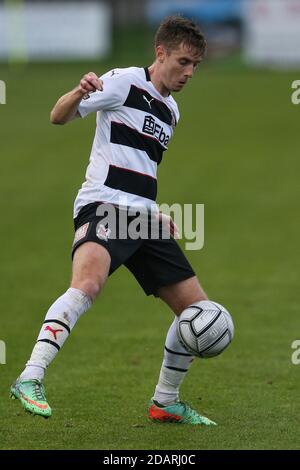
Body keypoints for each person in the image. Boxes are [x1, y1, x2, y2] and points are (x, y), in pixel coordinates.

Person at [10, 15, 217, 425]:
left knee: (199, 313)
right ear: (160, 53)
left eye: (195, 65)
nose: (189, 72)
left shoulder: (172, 112)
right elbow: (58, 115)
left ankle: (165, 401)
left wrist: (155, 212)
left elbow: (139, 166)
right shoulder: (123, 82)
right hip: (103, 206)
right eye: (183, 62)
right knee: (88, 284)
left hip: (142, 218)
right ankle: (30, 376)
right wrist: (78, 91)